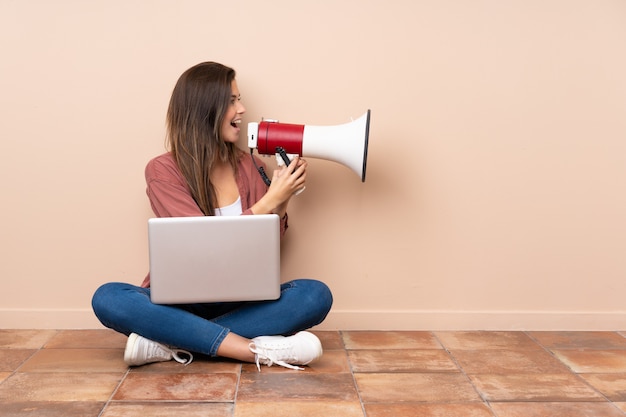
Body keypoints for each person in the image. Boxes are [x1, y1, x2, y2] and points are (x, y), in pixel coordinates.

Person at [92, 61, 333, 371]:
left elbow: (264, 246)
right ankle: (253, 350)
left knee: (315, 295)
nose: (242, 109)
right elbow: (201, 247)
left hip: (241, 297)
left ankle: (170, 340)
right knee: (108, 297)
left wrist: (281, 202)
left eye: (239, 99)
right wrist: (270, 198)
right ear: (206, 109)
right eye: (232, 101)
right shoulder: (162, 170)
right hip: (179, 300)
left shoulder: (249, 165)